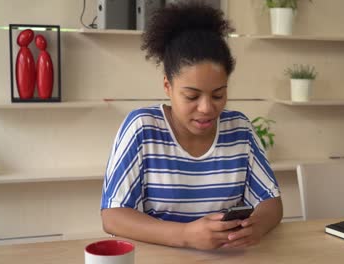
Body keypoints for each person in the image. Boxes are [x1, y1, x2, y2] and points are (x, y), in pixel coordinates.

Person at [100, 1, 282, 250]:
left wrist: (256, 227)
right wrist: (186, 234)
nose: (207, 108)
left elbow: (271, 203)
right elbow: (113, 216)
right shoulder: (142, 128)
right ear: (168, 86)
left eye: (218, 95)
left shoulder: (239, 129)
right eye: (192, 96)